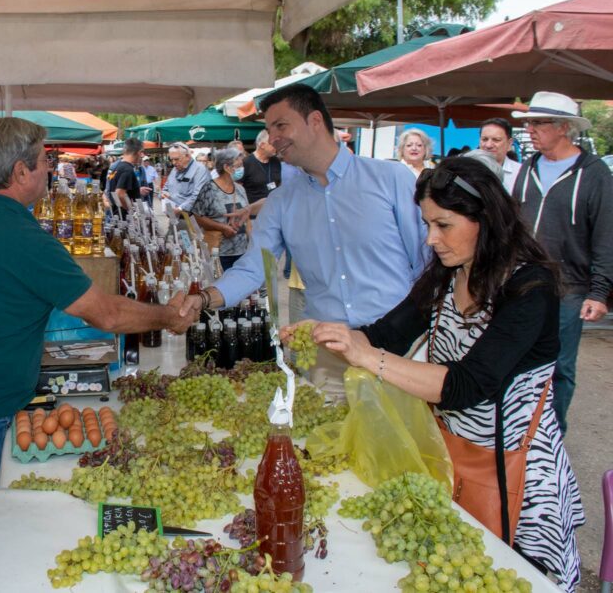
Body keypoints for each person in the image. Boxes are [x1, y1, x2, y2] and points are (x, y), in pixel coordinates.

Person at [292, 157, 584, 589]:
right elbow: (386, 333)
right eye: (427, 224)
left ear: (486, 218)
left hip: (512, 472)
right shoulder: (447, 274)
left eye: (443, 225)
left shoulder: (529, 289)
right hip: (449, 455)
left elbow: (467, 385)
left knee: (499, 573)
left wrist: (368, 358)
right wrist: (329, 334)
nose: (431, 239)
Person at [0, 118, 197, 487]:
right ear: (21, 172)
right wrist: (169, 315)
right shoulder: (28, 241)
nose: (50, 170)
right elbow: (106, 313)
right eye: (44, 161)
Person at [179, 84, 428, 389]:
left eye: (281, 125)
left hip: (398, 350)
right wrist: (204, 298)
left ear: (315, 121)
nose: (272, 139)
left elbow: (425, 265)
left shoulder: (391, 179)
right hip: (328, 354)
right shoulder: (282, 202)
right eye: (269, 130)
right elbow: (253, 268)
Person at [511, 91, 613, 433]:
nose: (531, 129)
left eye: (539, 123)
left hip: (569, 288)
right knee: (518, 358)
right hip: (523, 281)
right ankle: (523, 431)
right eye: (529, 123)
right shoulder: (527, 167)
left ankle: (552, 435)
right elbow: (512, 222)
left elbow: (606, 237)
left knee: (559, 367)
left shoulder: (595, 174)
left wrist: (599, 292)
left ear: (564, 128)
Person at [192, 148, 249, 270]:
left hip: (242, 251)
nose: (241, 169)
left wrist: (253, 244)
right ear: (227, 167)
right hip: (219, 252)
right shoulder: (209, 188)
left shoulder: (240, 189)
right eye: (238, 165)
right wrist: (222, 227)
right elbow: (197, 216)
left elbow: (247, 218)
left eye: (242, 165)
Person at [238, 130, 300, 212]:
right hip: (254, 214)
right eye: (273, 144)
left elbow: (278, 184)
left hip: (275, 211)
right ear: (262, 145)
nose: (276, 147)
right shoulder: (246, 163)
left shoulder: (276, 161)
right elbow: (238, 190)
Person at [162, 142, 211, 216]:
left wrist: (180, 209)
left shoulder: (200, 169)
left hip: (194, 218)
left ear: (187, 156)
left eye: (177, 159)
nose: (174, 163)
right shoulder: (174, 170)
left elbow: (198, 196)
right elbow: (165, 188)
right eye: (171, 160)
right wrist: (164, 194)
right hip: (175, 217)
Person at [478, 117, 522, 192]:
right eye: (484, 139)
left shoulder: (520, 173)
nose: (488, 145)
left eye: (496, 140)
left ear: (509, 144)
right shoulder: (466, 170)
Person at [104, 137, 144, 217]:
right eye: (142, 153)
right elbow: (120, 194)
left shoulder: (115, 166)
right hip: (123, 218)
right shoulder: (127, 169)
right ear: (139, 153)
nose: (142, 156)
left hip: (114, 214)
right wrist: (131, 210)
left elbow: (107, 191)